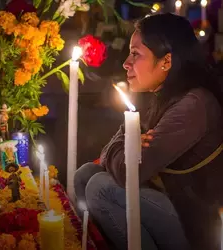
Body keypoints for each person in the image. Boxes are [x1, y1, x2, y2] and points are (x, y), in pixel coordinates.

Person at [74, 13, 223, 250]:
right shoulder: (159, 96)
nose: (126, 63)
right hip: (167, 199)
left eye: (136, 54)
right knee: (85, 173)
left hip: (195, 225)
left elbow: (129, 172)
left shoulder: (193, 104)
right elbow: (108, 157)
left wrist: (125, 145)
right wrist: (126, 143)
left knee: (100, 188)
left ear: (166, 61)